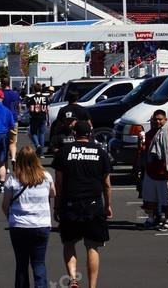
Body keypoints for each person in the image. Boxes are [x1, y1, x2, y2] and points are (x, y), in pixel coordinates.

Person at [53, 121, 112, 288]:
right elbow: (106, 183)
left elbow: (59, 182)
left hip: (70, 203)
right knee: (92, 246)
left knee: (69, 243)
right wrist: (107, 205)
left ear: (74, 134)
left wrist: (56, 206)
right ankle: (92, 286)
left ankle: (72, 279)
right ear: (90, 134)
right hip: (93, 204)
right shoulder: (100, 152)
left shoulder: (64, 151)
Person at [2, 146, 55, 288]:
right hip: (41, 225)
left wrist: (10, 217)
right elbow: (53, 194)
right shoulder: (46, 176)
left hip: (19, 226)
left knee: (21, 263)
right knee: (39, 263)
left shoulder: (13, 179)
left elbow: (5, 205)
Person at [140, 109, 168, 231]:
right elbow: (145, 153)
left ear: (165, 120)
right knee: (150, 197)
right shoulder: (148, 134)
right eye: (155, 119)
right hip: (152, 172)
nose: (157, 121)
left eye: (160, 119)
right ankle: (151, 219)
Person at [49, 89, 91, 154]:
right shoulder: (83, 109)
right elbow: (89, 125)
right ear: (77, 98)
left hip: (65, 137)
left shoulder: (63, 110)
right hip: (79, 137)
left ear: (68, 98)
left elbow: (58, 125)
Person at [1, 80, 23, 164]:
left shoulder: (1, 94)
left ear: (3, 84)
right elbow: (19, 105)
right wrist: (19, 113)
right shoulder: (15, 94)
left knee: (3, 142)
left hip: (3, 120)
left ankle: (4, 162)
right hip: (13, 119)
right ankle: (13, 157)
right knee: (13, 142)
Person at [25, 84, 50, 157]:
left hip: (34, 118)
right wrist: (48, 120)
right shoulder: (45, 98)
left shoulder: (31, 98)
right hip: (43, 117)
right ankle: (41, 153)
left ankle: (37, 145)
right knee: (42, 134)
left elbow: (29, 109)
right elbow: (47, 110)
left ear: (34, 89)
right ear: (41, 89)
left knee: (33, 133)